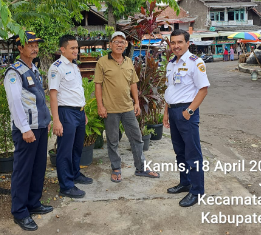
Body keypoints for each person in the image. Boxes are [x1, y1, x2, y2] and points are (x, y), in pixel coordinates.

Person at [94, 31, 159, 183]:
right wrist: (100, 106)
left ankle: (141, 167)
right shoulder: (102, 62)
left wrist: (136, 102)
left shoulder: (129, 61)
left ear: (126, 45)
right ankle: (116, 168)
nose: (119, 44)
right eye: (116, 41)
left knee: (136, 138)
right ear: (110, 44)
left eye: (122, 42)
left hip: (128, 107)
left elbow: (133, 83)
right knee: (113, 141)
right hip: (110, 109)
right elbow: (98, 85)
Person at [4, 31, 52, 232]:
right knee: (23, 171)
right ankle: (20, 212)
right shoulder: (14, 72)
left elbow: (38, 98)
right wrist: (24, 129)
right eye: (30, 44)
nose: (34, 47)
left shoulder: (34, 69)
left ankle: (33, 202)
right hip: (27, 130)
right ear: (19, 48)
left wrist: (46, 120)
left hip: (39, 127)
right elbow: (15, 103)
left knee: (38, 167)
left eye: (36, 44)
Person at [163, 29, 210, 207]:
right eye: (173, 43)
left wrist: (189, 111)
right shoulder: (171, 63)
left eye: (179, 42)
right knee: (180, 152)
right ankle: (185, 182)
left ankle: (197, 191)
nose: (176, 46)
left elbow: (203, 89)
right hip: (174, 111)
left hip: (186, 113)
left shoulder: (195, 63)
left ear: (187, 43)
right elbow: (170, 90)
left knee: (193, 154)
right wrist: (166, 113)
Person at [48, 35, 93, 199]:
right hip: (66, 113)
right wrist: (56, 120)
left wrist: (84, 112)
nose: (76, 50)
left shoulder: (74, 66)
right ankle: (66, 186)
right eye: (72, 48)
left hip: (79, 112)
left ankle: (75, 174)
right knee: (65, 150)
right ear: (63, 49)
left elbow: (77, 91)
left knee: (77, 147)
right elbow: (53, 96)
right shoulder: (56, 68)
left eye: (77, 47)